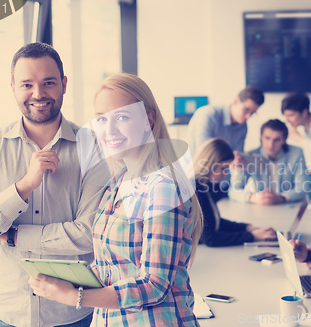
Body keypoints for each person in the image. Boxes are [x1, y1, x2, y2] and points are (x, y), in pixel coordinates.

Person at [28, 73, 203, 327]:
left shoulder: (163, 187)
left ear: (148, 120)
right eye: (101, 119)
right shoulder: (118, 181)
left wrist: (74, 296)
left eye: (122, 117)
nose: (108, 130)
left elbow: (154, 285)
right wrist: (66, 280)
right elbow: (112, 267)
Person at [0, 42, 108, 327]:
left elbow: (88, 235)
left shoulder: (94, 148)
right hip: (4, 315)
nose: (38, 94)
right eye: (27, 84)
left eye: (48, 82)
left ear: (63, 84)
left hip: (72, 316)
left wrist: (9, 234)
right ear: (13, 87)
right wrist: (23, 186)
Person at [193, 138, 277, 246]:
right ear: (209, 164)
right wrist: (253, 236)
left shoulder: (206, 185)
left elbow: (215, 223)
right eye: (223, 168)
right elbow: (210, 238)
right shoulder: (195, 191)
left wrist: (249, 228)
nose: (225, 174)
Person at [229, 119, 309, 205]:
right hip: (261, 206)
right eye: (267, 138)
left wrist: (281, 198)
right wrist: (252, 197)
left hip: (287, 206)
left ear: (284, 140)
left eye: (277, 139)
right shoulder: (251, 156)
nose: (271, 144)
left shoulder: (296, 153)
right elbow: (233, 190)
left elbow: (304, 188)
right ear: (261, 137)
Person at [187, 85, 265, 156]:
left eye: (252, 113)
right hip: (193, 167)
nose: (248, 116)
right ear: (236, 101)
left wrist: (238, 161)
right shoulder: (208, 114)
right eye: (246, 109)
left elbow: (237, 154)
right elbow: (204, 151)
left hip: (218, 169)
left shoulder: (243, 126)